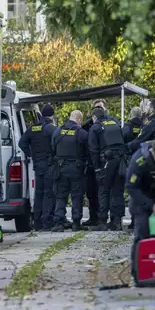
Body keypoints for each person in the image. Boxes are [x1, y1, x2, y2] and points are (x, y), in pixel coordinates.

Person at [125, 137, 155, 282]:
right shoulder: (139, 160)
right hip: (142, 198)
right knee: (142, 233)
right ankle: (139, 275)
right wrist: (150, 205)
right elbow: (131, 186)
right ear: (154, 152)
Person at [19, 104, 57, 231]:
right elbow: (57, 143)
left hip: (37, 164)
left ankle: (37, 223)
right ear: (51, 115)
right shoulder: (50, 129)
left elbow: (21, 143)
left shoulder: (32, 128)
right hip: (49, 164)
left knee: (38, 194)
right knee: (48, 194)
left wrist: (30, 154)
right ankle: (47, 222)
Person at [88, 107, 127, 231]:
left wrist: (97, 168)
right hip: (120, 160)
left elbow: (93, 150)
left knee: (103, 190)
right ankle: (116, 221)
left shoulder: (95, 127)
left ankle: (102, 221)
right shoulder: (116, 123)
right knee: (117, 191)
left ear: (94, 117)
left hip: (107, 161)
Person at [81, 99, 116, 228]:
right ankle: (94, 217)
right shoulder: (87, 126)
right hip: (91, 164)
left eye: (101, 107)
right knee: (92, 193)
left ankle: (108, 219)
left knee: (106, 191)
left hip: (106, 163)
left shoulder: (112, 122)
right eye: (96, 108)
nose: (99, 110)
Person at [52, 110, 88, 232]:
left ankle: (58, 223)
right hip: (76, 169)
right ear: (79, 120)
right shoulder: (82, 133)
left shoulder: (57, 131)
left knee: (60, 196)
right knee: (76, 196)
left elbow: (53, 147)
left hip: (60, 168)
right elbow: (87, 151)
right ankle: (76, 223)